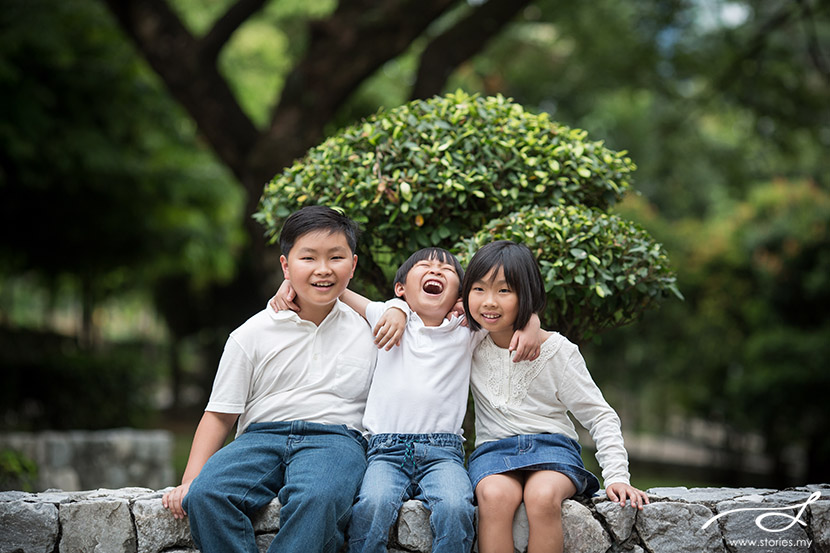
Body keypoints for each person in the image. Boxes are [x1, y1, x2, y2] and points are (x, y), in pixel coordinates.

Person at [271, 246, 541, 553]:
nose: (436, 271)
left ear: (459, 296)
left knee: (456, 509)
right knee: (373, 505)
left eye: (448, 271)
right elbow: (340, 292)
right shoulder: (384, 317)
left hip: (443, 452)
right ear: (400, 288)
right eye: (424, 266)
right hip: (385, 450)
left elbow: (506, 315)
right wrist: (291, 281)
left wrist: (531, 321)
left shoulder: (467, 330)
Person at [161, 205, 396, 553]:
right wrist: (190, 479)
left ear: (353, 265)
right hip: (261, 437)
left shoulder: (372, 330)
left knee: (320, 497)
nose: (323, 269)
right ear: (285, 266)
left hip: (336, 439)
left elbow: (421, 318)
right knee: (207, 495)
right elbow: (220, 413)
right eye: (308, 258)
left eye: (335, 258)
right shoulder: (252, 333)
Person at [462, 240, 649, 553]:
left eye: (504, 291)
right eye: (478, 289)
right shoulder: (467, 342)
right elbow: (430, 311)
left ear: (528, 295)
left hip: (552, 449)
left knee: (542, 496)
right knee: (493, 497)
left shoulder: (557, 351)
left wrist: (617, 475)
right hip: (494, 453)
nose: (489, 302)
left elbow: (599, 415)